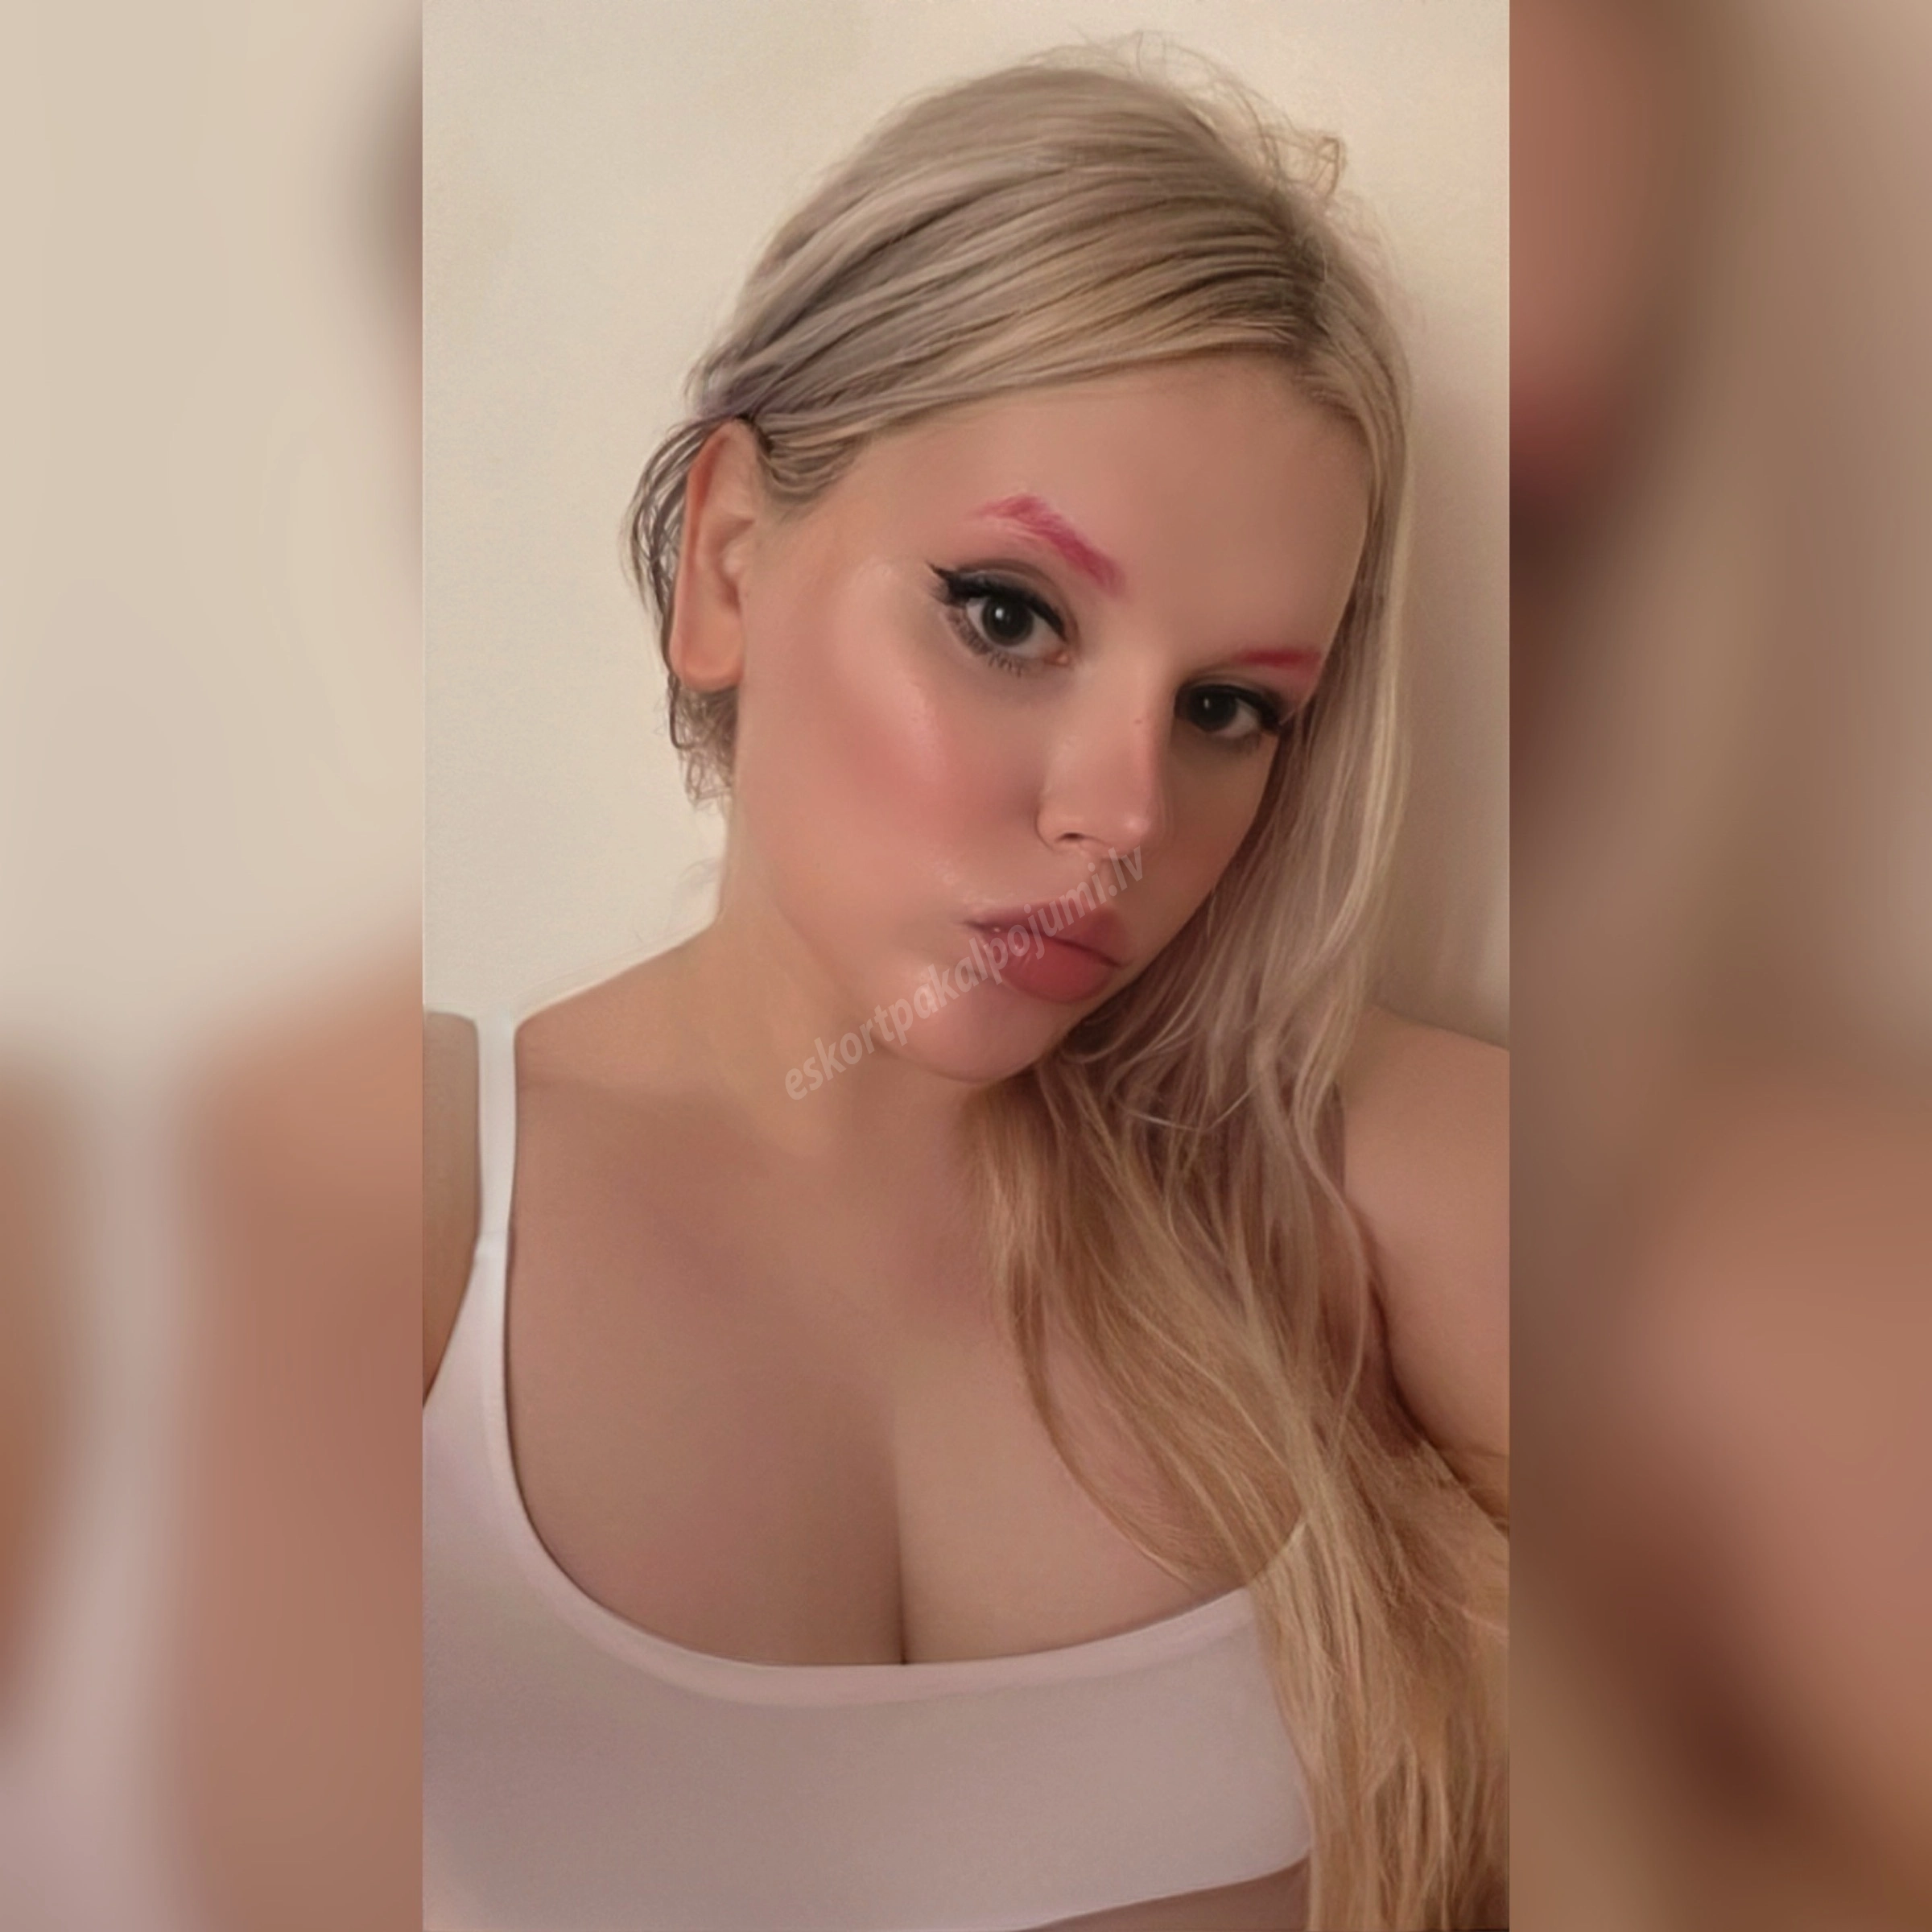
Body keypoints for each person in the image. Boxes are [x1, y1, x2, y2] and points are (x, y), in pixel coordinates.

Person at [424, 47, 1506, 1932]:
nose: (1124, 816)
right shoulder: (406, 1199)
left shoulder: (1355, 1191)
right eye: (1010, 615)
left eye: (1228, 709)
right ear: (729, 563)